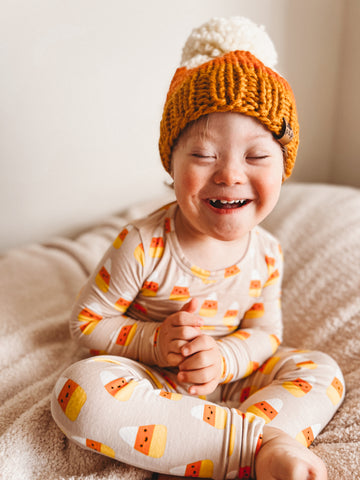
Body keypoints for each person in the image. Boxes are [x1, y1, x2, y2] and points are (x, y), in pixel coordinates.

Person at [51, 17, 344, 480]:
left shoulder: (266, 253)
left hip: (233, 382)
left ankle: (206, 443)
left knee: (323, 371)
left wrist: (226, 358)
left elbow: (266, 333)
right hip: (149, 381)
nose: (229, 174)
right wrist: (153, 342)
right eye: (204, 155)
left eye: (256, 156)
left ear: (283, 169)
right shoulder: (143, 244)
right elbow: (87, 322)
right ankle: (259, 446)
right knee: (78, 391)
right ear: (171, 162)